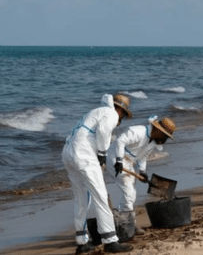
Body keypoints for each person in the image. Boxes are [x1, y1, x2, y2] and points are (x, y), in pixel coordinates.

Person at [61, 94, 134, 254]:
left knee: (81, 198)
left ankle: (82, 242)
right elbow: (103, 130)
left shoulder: (95, 111)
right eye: (123, 114)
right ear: (120, 110)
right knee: (100, 197)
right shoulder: (112, 113)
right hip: (84, 153)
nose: (121, 117)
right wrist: (102, 153)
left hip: (68, 152)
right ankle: (111, 241)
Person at [107, 115, 176, 235]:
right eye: (165, 136)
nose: (165, 139)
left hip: (128, 162)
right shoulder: (138, 131)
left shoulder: (152, 142)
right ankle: (128, 224)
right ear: (159, 131)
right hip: (115, 157)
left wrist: (142, 171)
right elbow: (120, 141)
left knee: (131, 194)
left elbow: (143, 156)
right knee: (129, 193)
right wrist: (118, 160)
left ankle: (124, 221)